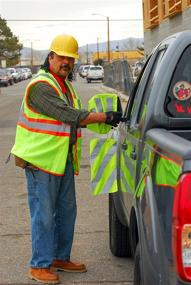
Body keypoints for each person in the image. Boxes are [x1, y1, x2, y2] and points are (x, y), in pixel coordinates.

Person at [11, 34, 122, 284]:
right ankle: (38, 265)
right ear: (50, 57)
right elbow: (69, 115)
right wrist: (103, 117)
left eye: (70, 59)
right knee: (44, 214)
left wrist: (107, 121)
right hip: (40, 162)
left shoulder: (66, 85)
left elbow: (76, 119)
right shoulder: (41, 86)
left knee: (66, 212)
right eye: (61, 57)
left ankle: (60, 257)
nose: (66, 62)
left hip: (61, 160)